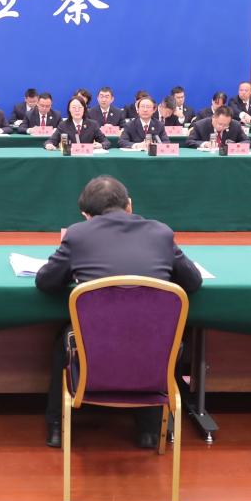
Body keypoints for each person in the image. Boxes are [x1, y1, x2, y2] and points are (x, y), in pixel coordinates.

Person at [35, 175, 202, 448]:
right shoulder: (161, 233)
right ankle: (150, 430)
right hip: (152, 345)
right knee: (156, 337)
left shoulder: (77, 234)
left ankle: (57, 426)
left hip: (96, 346)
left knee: (65, 338)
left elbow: (46, 282)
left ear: (86, 215)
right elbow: (193, 282)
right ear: (129, 205)